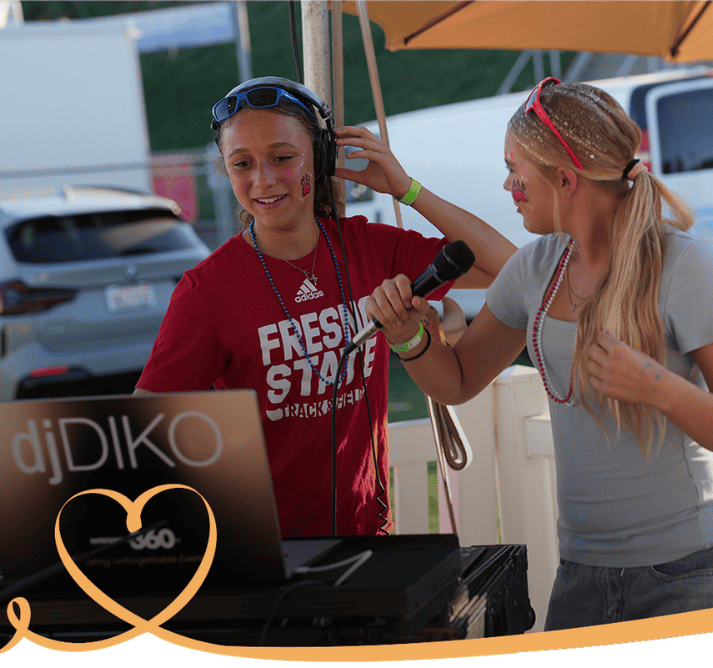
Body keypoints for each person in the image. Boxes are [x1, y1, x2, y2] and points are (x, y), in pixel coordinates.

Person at [365, 77, 713, 630]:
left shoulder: (684, 265)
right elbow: (457, 382)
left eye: (517, 169)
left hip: (684, 573)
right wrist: (411, 340)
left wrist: (655, 385)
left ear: (564, 180)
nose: (509, 184)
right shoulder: (534, 268)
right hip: (581, 571)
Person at [136, 76, 515, 537]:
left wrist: (406, 188)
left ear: (318, 159)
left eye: (283, 157)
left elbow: (507, 267)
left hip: (369, 544)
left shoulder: (370, 249)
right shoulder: (208, 290)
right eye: (241, 164)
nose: (263, 179)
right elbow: (145, 433)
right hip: (266, 558)